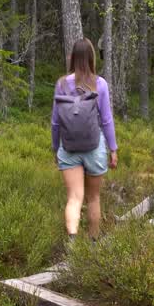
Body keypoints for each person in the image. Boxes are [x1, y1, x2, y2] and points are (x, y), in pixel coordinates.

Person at [51, 37, 118, 242]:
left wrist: (56, 148)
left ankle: (72, 242)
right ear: (91, 58)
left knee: (74, 198)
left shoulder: (62, 83)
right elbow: (106, 120)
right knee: (94, 198)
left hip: (68, 148)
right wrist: (113, 149)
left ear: (72, 58)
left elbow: (55, 122)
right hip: (94, 147)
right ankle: (93, 245)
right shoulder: (100, 84)